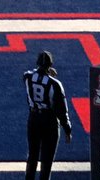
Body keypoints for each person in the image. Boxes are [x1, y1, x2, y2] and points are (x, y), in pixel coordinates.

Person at [24, 50, 71, 180]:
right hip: (49, 121)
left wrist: (45, 72)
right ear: (50, 65)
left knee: (32, 156)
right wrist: (67, 128)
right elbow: (61, 109)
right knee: (46, 160)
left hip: (33, 118)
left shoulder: (27, 77)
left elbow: (32, 74)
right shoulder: (55, 84)